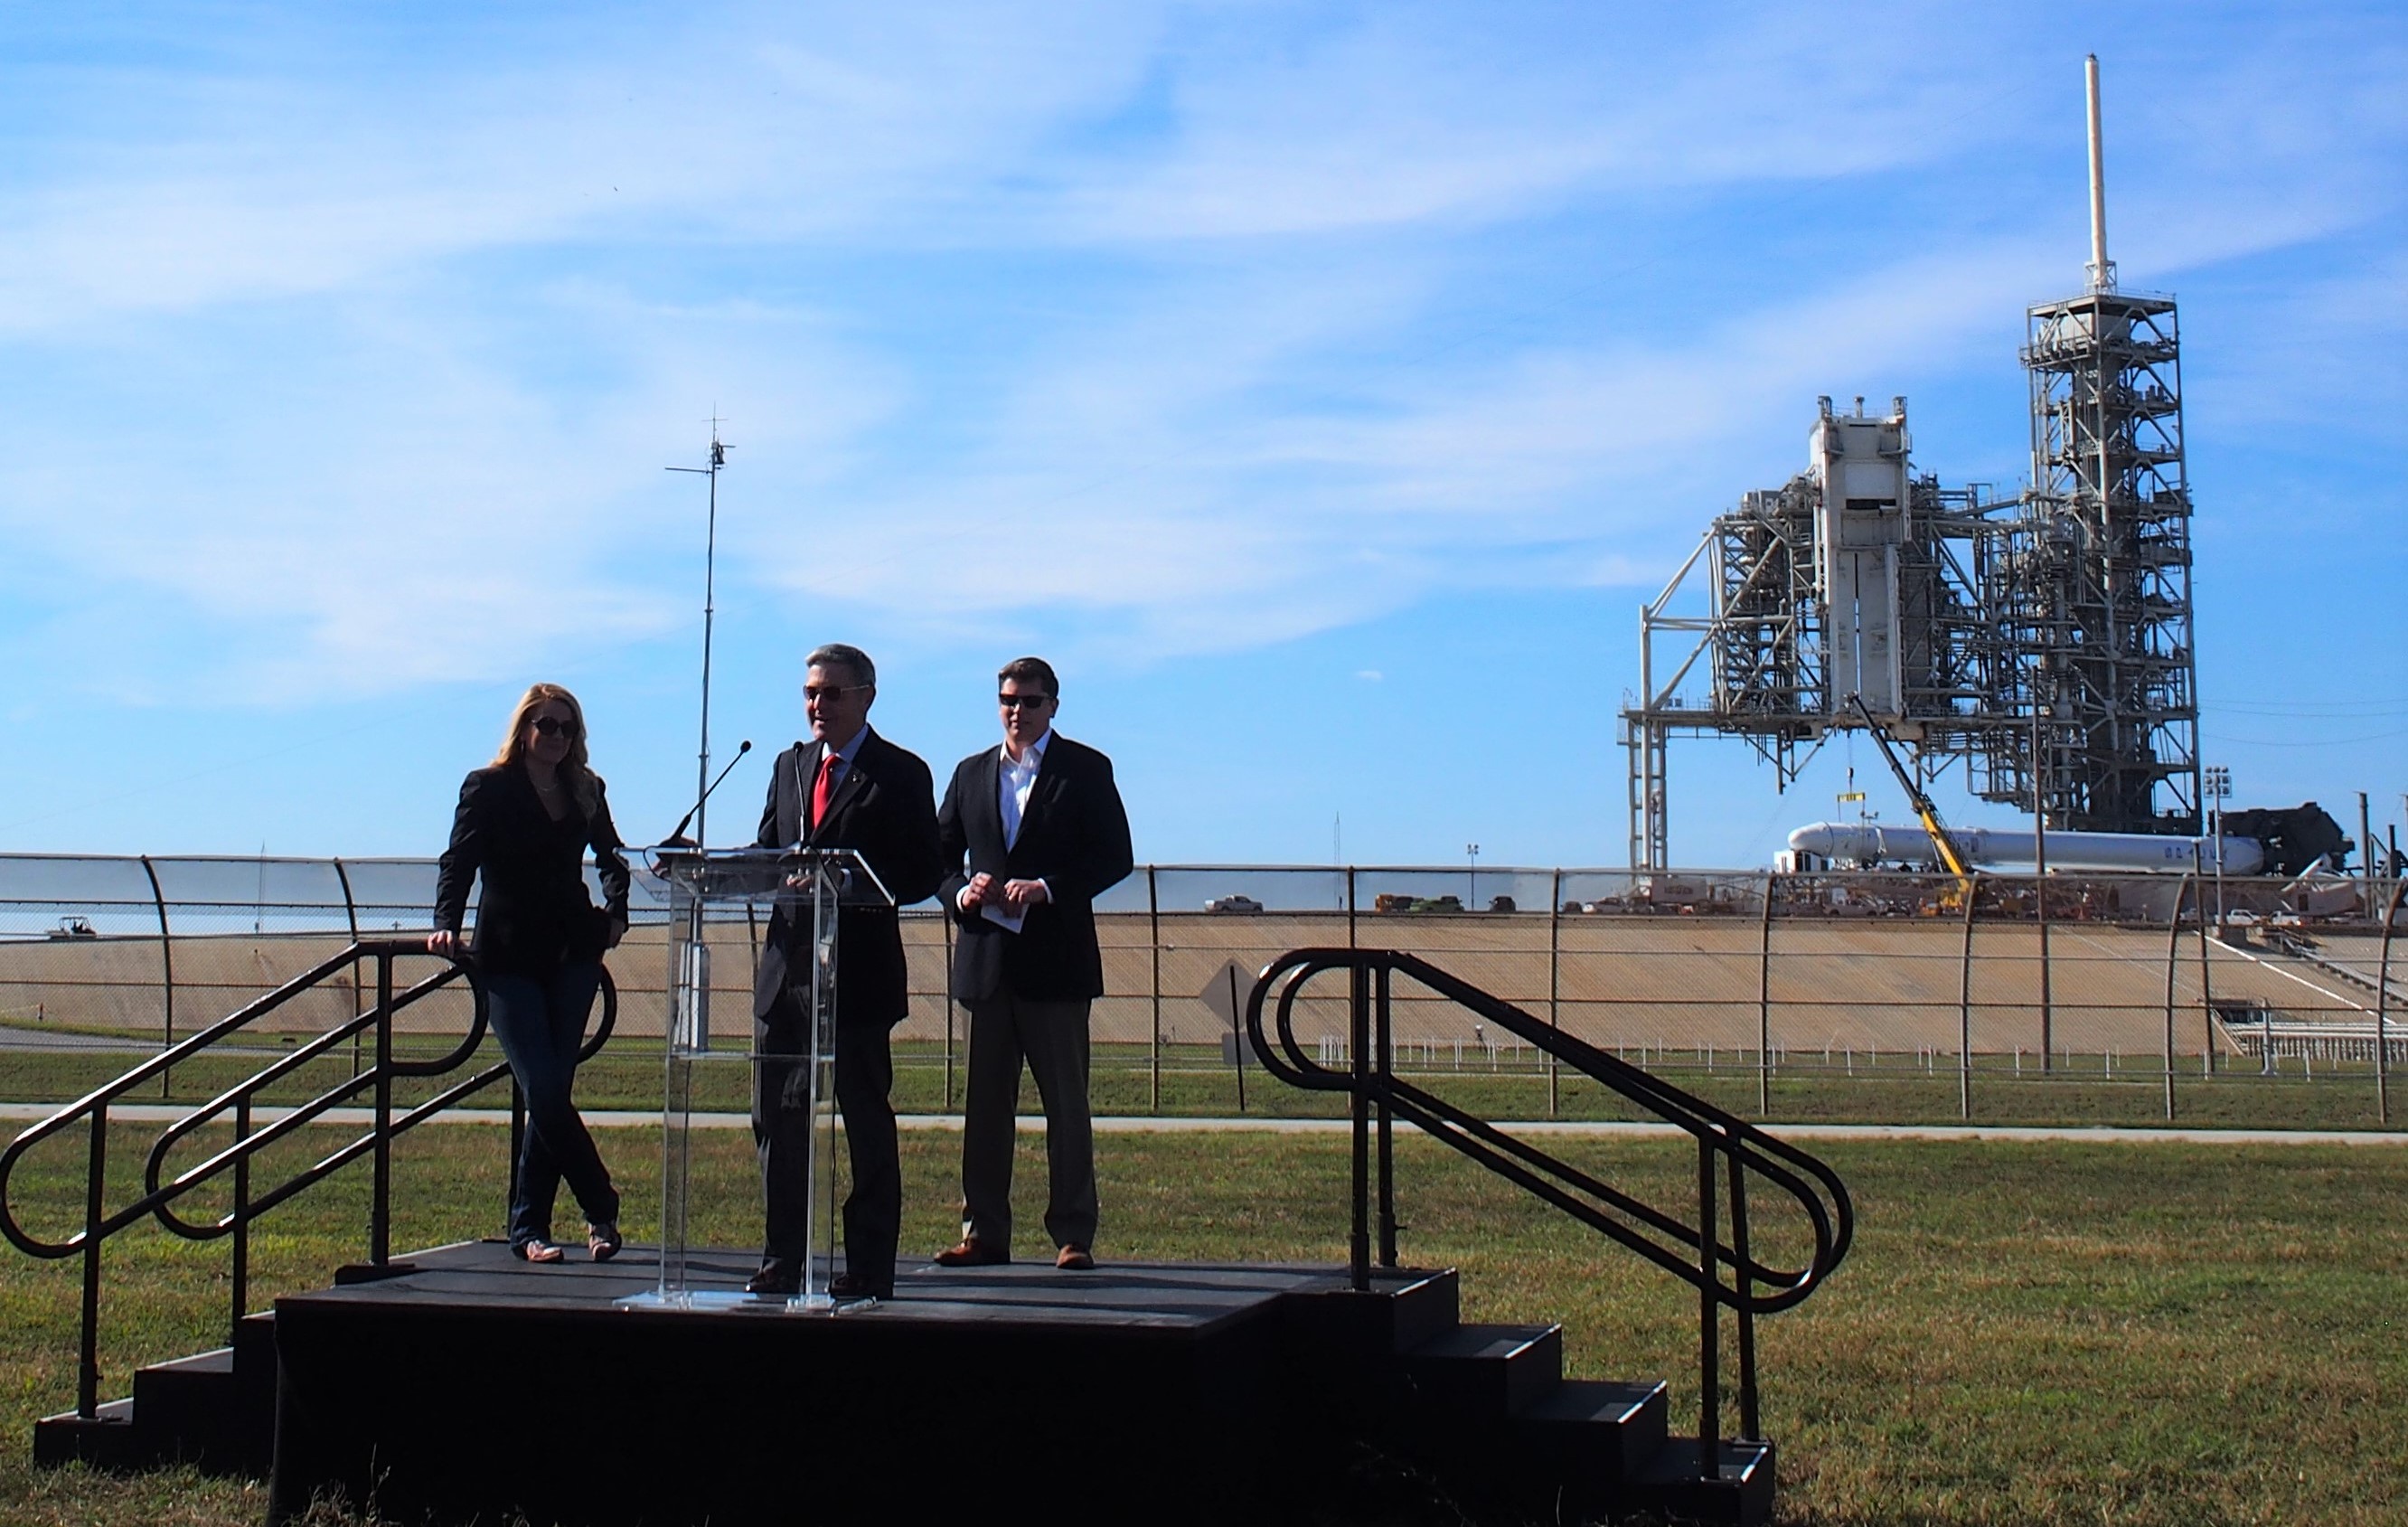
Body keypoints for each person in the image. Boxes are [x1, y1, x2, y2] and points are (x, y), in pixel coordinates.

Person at [748, 644, 941, 1300]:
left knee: (863, 1120)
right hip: (787, 974)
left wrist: (848, 873)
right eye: (809, 693)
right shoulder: (789, 766)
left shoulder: (902, 773)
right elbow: (769, 846)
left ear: (866, 696)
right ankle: (783, 1256)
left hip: (856, 975)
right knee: (777, 1117)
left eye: (830, 693)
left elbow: (919, 872)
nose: (816, 706)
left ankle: (868, 1265)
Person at [935, 657, 1133, 1272]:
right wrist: (963, 892)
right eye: (1006, 700)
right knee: (984, 1110)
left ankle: (1074, 1232)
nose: (1016, 711)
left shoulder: (1085, 769)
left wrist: (1048, 886)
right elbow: (937, 860)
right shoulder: (970, 773)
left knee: (1066, 1108)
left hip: (1057, 967)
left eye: (1029, 701)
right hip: (988, 967)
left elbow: (1114, 856)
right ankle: (983, 1231)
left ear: (1053, 705)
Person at [430, 683, 629, 1264]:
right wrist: (447, 922)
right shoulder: (488, 787)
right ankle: (600, 1203)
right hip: (509, 955)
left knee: (551, 1094)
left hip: (573, 953)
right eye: (546, 725)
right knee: (542, 1089)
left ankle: (530, 1230)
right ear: (524, 729)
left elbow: (611, 857)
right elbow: (459, 859)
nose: (557, 737)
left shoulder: (586, 789)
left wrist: (617, 915)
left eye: (567, 728)